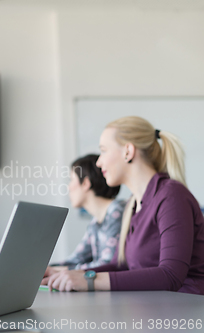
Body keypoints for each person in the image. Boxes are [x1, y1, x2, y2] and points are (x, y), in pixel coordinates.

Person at [43, 116, 204, 294]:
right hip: (153, 307)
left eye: (103, 151)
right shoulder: (132, 206)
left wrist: (90, 281)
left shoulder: (172, 196)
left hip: (186, 310)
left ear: (128, 151)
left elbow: (171, 275)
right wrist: (68, 274)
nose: (98, 162)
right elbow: (121, 265)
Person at [49, 154, 125, 271]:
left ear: (85, 183)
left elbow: (107, 264)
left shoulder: (117, 212)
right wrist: (45, 269)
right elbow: (76, 259)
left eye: (71, 180)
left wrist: (60, 272)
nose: (68, 187)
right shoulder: (95, 222)